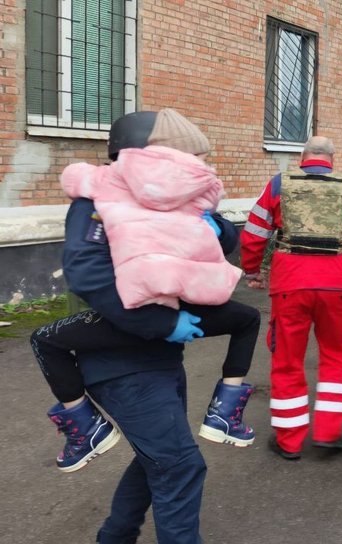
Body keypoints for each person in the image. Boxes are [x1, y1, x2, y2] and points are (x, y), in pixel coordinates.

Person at [32, 111, 244, 542]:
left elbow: (219, 246)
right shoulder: (96, 201)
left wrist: (214, 222)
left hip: (163, 361)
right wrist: (161, 323)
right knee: (180, 466)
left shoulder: (170, 199)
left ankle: (115, 536)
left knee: (156, 460)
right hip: (120, 362)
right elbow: (87, 273)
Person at [240, 136, 342, 460]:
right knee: (337, 357)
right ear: (332, 158)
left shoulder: (278, 184)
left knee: (287, 361)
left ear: (303, 157)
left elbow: (254, 231)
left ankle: (289, 441)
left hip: (291, 284)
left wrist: (253, 271)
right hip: (337, 287)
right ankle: (328, 435)